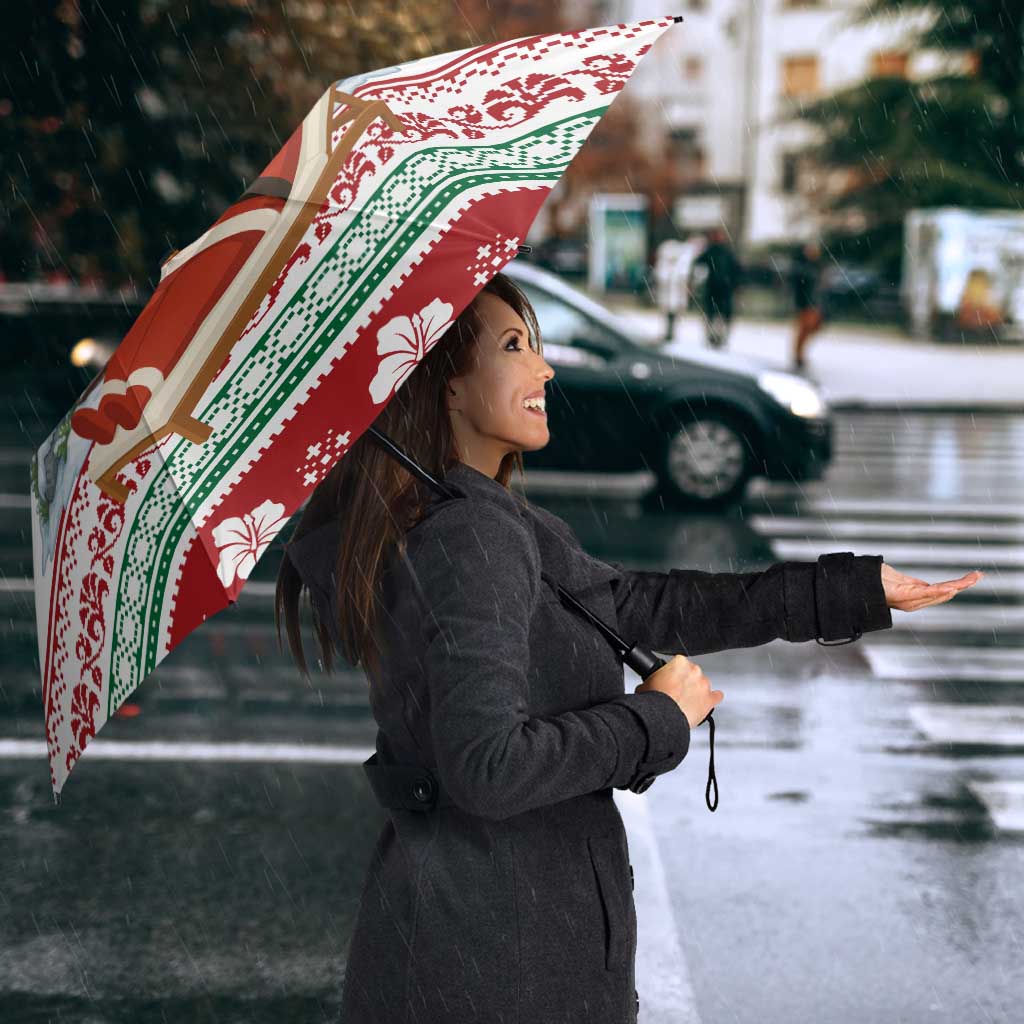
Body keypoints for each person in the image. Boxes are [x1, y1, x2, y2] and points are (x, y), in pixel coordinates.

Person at [275, 271, 978, 1024]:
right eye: (514, 346)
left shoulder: (475, 518)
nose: (544, 368)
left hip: (479, 942)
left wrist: (850, 591)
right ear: (445, 384)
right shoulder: (469, 537)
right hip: (498, 962)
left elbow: (640, 605)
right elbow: (487, 768)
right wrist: (655, 719)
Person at [692, 226, 742, 349]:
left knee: (720, 315)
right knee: (713, 314)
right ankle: (713, 337)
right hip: (715, 288)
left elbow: (736, 270)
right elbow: (698, 264)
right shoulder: (712, 251)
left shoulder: (725, 252)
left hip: (723, 288)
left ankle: (719, 337)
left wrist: (735, 284)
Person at [790, 239, 826, 371]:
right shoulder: (802, 267)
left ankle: (800, 354)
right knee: (804, 329)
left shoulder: (817, 266)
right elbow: (799, 286)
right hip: (805, 303)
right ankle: (798, 355)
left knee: (812, 328)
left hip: (814, 303)